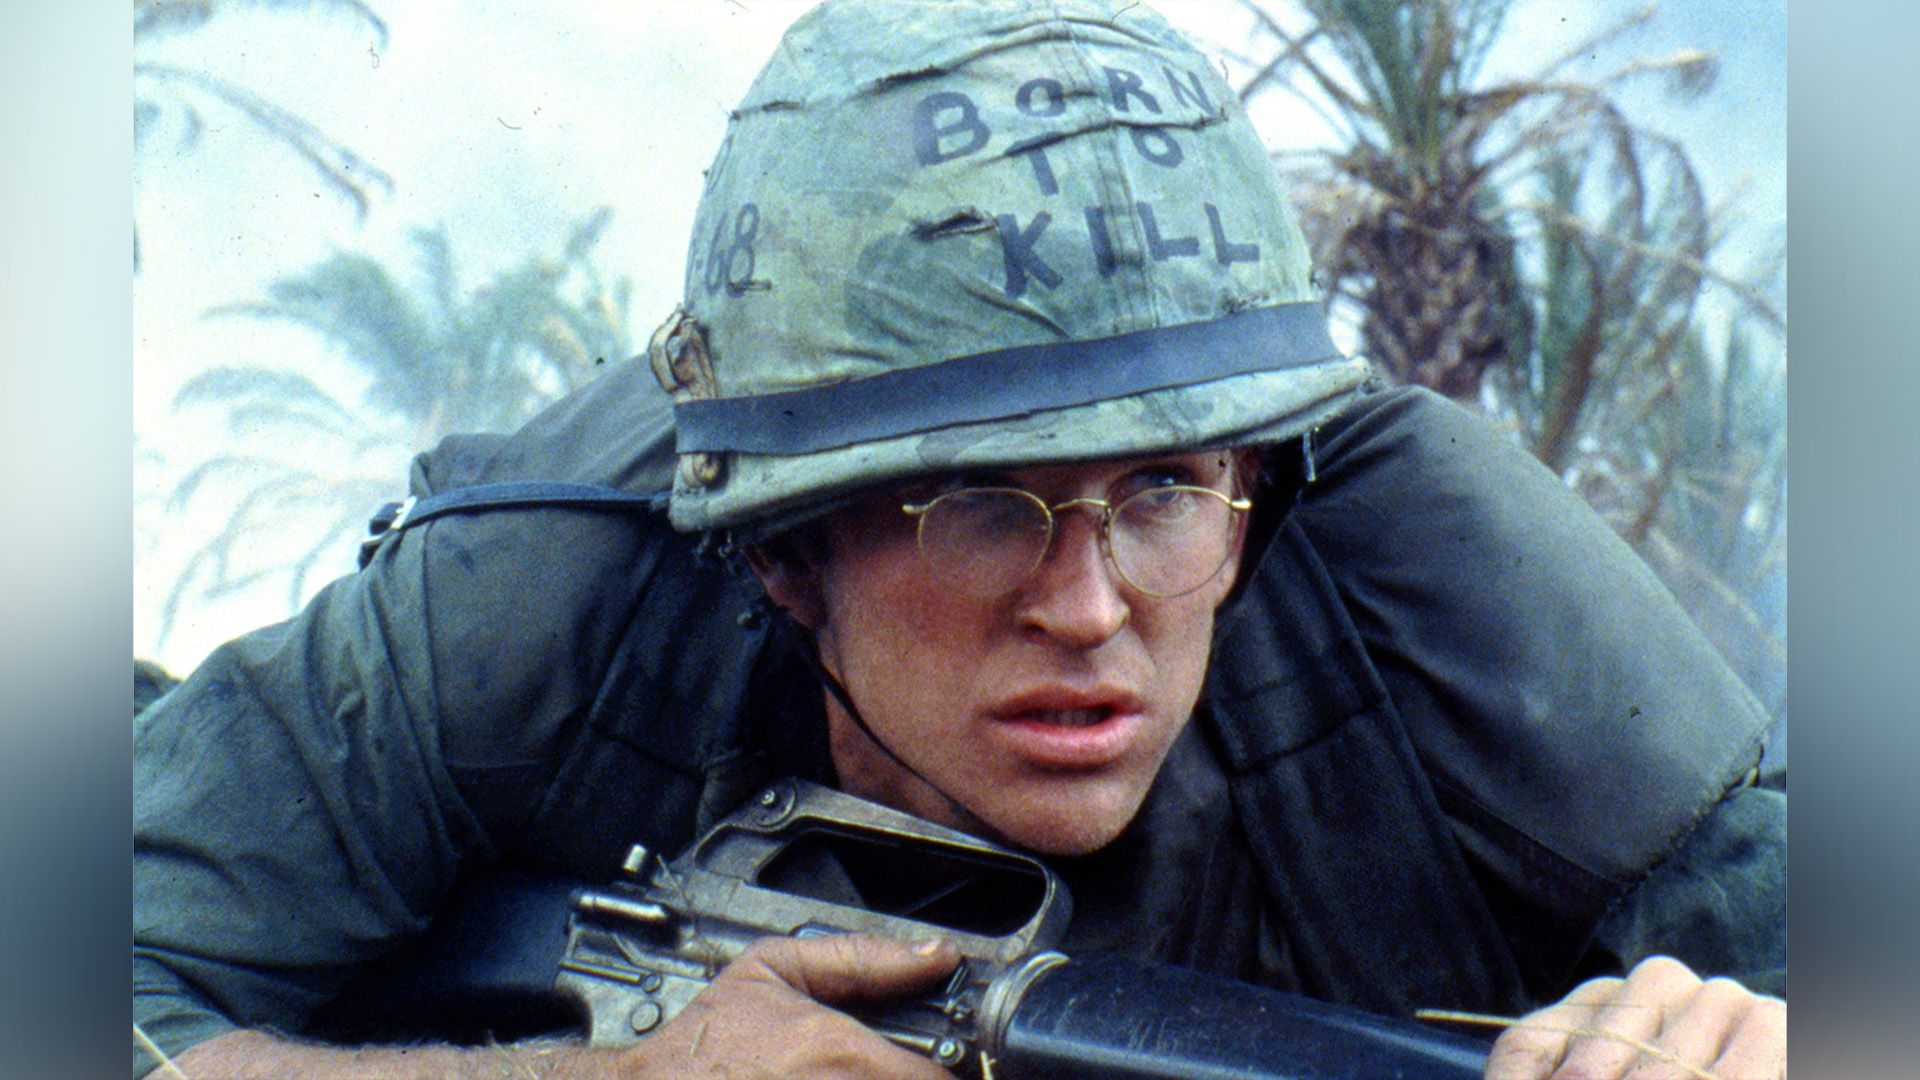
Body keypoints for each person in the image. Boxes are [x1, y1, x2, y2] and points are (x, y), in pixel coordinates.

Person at [132, 1, 1786, 1077]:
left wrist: (1742, 1033)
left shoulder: (1439, 577)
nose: (1091, 606)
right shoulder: (548, 596)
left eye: (1163, 496)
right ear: (782, 554)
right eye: (982, 509)